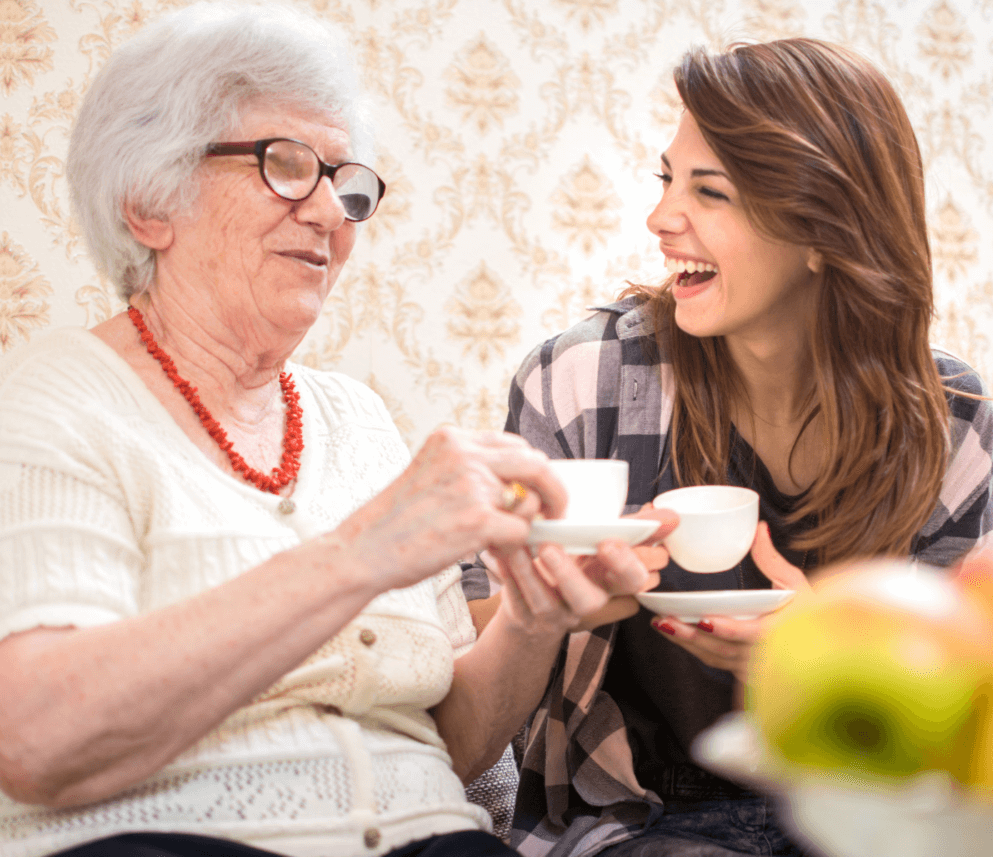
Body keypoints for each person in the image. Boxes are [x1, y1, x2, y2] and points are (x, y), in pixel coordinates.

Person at [0, 4, 675, 857]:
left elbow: (450, 749)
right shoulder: (56, 400)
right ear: (147, 204)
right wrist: (361, 553)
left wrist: (536, 616)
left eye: (345, 181)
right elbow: (34, 740)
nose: (332, 215)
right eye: (285, 167)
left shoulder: (353, 421)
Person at [484, 37, 993, 857]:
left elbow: (960, 725)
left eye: (710, 191)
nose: (660, 218)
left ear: (822, 230)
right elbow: (480, 698)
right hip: (637, 825)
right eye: (668, 179)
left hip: (853, 820)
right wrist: (545, 605)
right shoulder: (584, 381)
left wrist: (821, 654)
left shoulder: (952, 420)